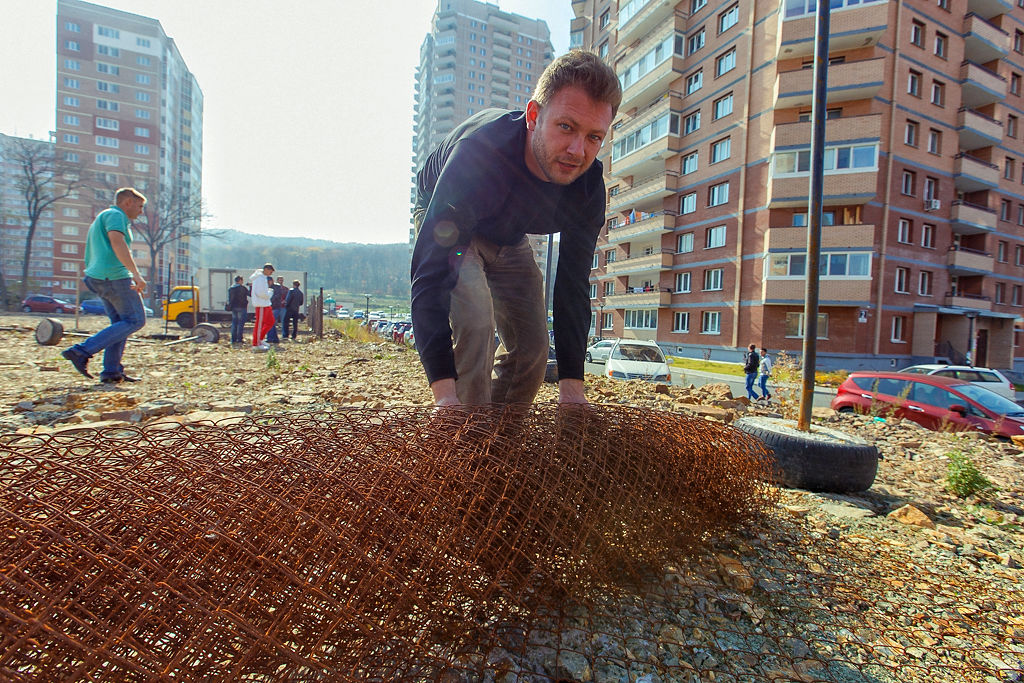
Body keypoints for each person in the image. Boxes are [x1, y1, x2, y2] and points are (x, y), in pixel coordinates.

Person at [410, 50, 621, 407]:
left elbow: (572, 285)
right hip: (450, 223)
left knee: (534, 347)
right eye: (566, 127)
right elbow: (429, 274)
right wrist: (444, 394)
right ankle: (466, 441)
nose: (576, 150)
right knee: (476, 321)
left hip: (508, 233)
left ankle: (500, 451)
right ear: (534, 116)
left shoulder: (586, 189)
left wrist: (572, 387)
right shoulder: (479, 156)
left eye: (593, 137)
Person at [61, 187, 147, 384]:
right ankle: (81, 351)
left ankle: (111, 371)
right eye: (140, 206)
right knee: (136, 320)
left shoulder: (105, 216)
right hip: (114, 277)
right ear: (128, 203)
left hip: (98, 277)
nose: (141, 211)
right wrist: (136, 274)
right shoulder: (116, 215)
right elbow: (118, 243)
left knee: (120, 324)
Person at [250, 263, 275, 350]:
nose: (271, 274)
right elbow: (261, 293)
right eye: (270, 272)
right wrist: (270, 293)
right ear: (266, 270)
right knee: (259, 324)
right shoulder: (259, 278)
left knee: (270, 321)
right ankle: (256, 344)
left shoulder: (262, 278)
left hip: (265, 303)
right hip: (261, 304)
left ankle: (260, 339)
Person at [228, 275, 249, 344]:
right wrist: (251, 287)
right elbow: (250, 294)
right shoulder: (242, 288)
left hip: (234, 308)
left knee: (234, 323)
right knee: (240, 324)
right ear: (240, 280)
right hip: (242, 307)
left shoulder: (231, 288)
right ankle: (239, 339)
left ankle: (233, 339)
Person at [268, 275, 287, 343]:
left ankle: (271, 338)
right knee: (271, 323)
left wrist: (269, 300)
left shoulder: (277, 287)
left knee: (270, 322)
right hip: (273, 307)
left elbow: (277, 296)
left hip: (275, 307)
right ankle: (274, 338)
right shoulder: (274, 287)